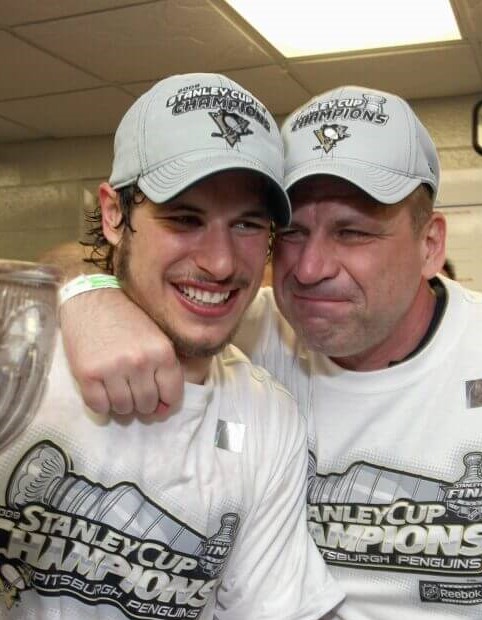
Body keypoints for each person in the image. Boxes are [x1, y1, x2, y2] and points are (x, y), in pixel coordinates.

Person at [60, 84, 482, 618]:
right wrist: (88, 295)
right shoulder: (244, 331)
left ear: (430, 246)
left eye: (353, 232)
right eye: (290, 232)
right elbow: (112, 265)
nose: (310, 270)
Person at [0, 73, 344, 619]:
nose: (222, 262)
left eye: (248, 225)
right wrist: (79, 289)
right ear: (114, 215)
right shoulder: (20, 350)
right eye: (185, 218)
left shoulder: (267, 415)